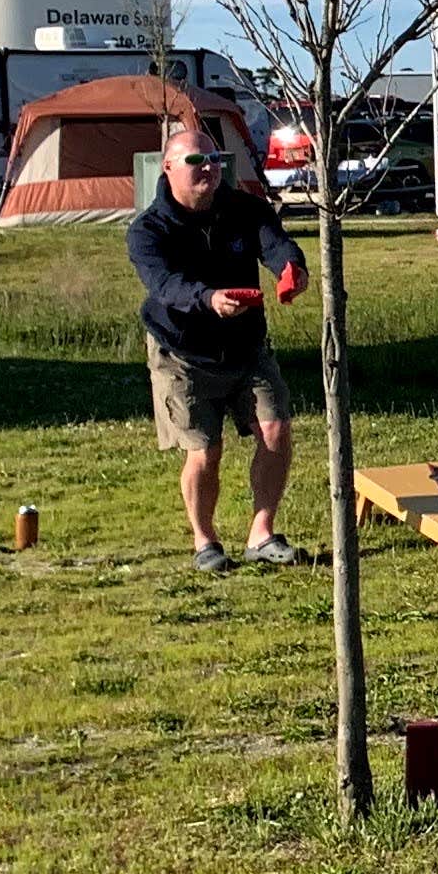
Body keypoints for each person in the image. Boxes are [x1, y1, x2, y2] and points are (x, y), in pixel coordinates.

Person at [125, 110, 308, 576]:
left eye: (213, 158)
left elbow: (276, 243)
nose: (207, 167)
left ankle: (262, 533)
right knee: (205, 451)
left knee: (276, 429)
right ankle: (205, 540)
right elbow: (165, 285)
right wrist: (209, 299)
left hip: (247, 345)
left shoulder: (245, 207)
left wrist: (291, 269)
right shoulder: (147, 231)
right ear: (168, 168)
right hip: (182, 354)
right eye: (195, 159)